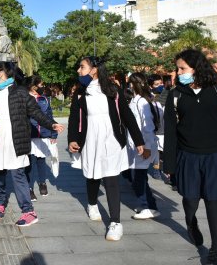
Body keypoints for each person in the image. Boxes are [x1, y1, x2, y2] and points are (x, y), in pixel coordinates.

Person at [163, 49, 217, 265]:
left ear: (196, 68)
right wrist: (169, 163)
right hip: (188, 156)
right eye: (178, 68)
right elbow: (171, 132)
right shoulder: (175, 95)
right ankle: (191, 222)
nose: (178, 72)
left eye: (182, 68)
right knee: (190, 199)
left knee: (213, 200)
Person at [67, 56, 144, 241]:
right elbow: (74, 118)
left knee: (111, 177)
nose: (79, 70)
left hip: (111, 139)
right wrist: (72, 139)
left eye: (82, 67)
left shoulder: (113, 90)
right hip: (90, 138)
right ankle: (92, 203)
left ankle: (116, 223)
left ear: (94, 70)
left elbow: (127, 115)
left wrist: (139, 140)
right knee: (93, 175)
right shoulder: (80, 92)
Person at [0, 62, 64, 227]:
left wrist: (52, 124)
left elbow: (35, 112)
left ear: (4, 73)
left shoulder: (20, 92)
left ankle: (28, 211)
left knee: (18, 174)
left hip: (16, 139)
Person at [126, 73, 160, 220]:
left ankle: (149, 206)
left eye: (130, 83)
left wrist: (145, 146)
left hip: (143, 145)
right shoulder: (136, 100)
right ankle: (148, 204)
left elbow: (147, 125)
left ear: (134, 84)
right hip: (136, 145)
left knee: (138, 178)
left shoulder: (142, 102)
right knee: (139, 178)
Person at [23, 75, 58, 201]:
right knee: (29, 162)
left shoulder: (44, 99)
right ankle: (29, 188)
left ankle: (42, 183)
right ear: (34, 86)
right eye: (41, 85)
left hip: (43, 134)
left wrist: (53, 133)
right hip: (29, 135)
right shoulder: (24, 98)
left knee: (41, 160)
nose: (43, 87)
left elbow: (49, 116)